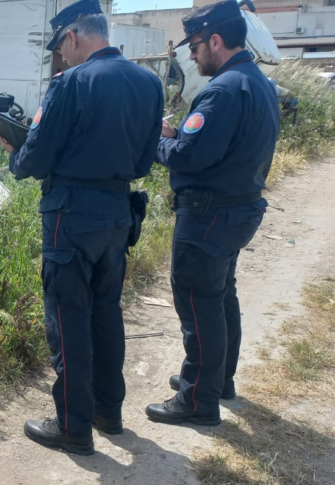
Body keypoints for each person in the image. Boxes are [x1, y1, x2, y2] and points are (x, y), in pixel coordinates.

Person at [0, 0, 164, 455]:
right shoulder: (150, 82)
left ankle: (72, 425)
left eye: (60, 46)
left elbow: (38, 156)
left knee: (68, 318)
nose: (60, 56)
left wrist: (14, 154)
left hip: (70, 216)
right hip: (118, 211)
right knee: (106, 313)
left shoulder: (69, 83)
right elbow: (148, 157)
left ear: (72, 36)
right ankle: (108, 411)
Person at [147, 0, 280, 425]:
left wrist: (157, 141)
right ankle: (217, 381)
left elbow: (189, 155)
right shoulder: (255, 81)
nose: (191, 54)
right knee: (221, 296)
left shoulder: (222, 89)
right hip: (236, 211)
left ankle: (197, 402)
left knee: (198, 303)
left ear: (216, 41)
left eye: (196, 45)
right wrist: (178, 135)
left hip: (208, 216)